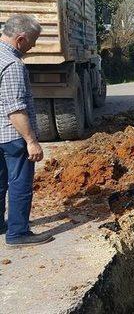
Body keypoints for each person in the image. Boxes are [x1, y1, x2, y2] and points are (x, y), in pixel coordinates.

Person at [0, 14, 51, 247]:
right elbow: (16, 109)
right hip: (12, 136)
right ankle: (18, 233)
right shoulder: (12, 65)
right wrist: (31, 140)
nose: (34, 45)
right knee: (19, 183)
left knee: (0, 181)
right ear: (20, 39)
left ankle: (2, 225)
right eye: (33, 40)